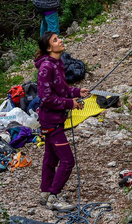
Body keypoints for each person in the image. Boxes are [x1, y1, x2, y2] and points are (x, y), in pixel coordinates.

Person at [34, 31, 90, 211]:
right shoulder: (46, 68)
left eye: (59, 38)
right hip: (50, 121)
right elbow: (45, 98)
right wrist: (70, 103)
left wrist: (77, 92)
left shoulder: (57, 64)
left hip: (54, 119)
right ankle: (53, 197)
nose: (60, 41)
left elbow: (62, 88)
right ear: (49, 48)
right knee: (67, 161)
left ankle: (45, 193)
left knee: (50, 158)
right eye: (55, 40)